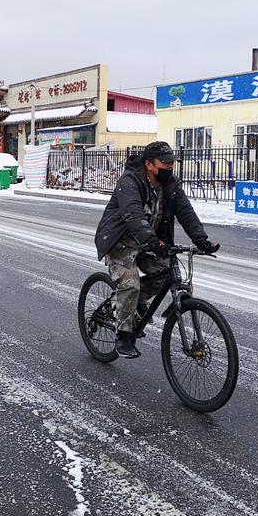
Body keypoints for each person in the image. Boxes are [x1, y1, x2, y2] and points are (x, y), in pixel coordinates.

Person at [94, 141, 219, 358]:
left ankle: (136, 303)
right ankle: (123, 336)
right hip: (120, 242)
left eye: (172, 163)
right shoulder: (130, 182)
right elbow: (133, 215)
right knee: (130, 284)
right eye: (165, 163)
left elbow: (186, 213)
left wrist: (202, 240)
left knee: (165, 274)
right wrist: (152, 241)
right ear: (149, 164)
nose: (169, 167)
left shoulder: (170, 184)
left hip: (149, 242)